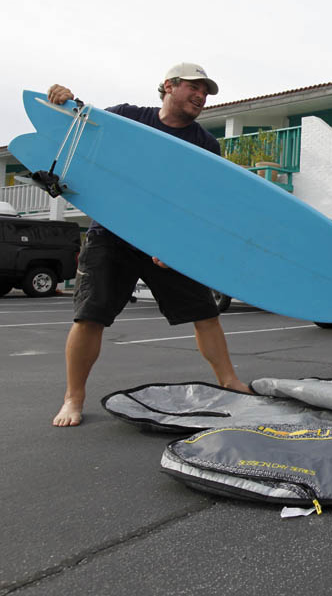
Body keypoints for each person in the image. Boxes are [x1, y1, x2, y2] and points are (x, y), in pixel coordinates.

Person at [48, 63, 251, 427]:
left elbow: (202, 202)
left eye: (206, 92)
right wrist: (64, 99)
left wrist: (178, 244)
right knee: (89, 317)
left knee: (206, 315)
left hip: (167, 242)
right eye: (195, 88)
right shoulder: (128, 117)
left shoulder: (205, 144)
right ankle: (73, 397)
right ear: (170, 86)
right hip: (111, 234)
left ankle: (229, 380)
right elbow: (81, 130)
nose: (202, 97)